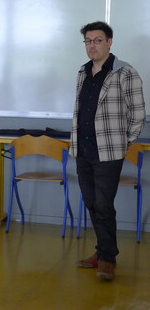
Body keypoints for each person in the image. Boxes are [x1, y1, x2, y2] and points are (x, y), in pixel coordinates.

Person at [71, 21, 145, 281]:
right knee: (92, 203)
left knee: (103, 205)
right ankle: (104, 251)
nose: (92, 45)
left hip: (109, 152)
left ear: (109, 42)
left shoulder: (125, 72)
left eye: (97, 40)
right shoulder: (82, 72)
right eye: (88, 41)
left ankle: (106, 260)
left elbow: (138, 114)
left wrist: (124, 143)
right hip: (84, 150)